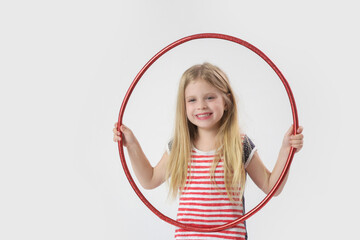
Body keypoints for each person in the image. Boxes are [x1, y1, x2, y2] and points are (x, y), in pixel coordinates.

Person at [113, 63, 304, 240]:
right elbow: (149, 179)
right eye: (192, 100)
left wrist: (286, 149)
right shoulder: (179, 146)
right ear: (184, 106)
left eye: (210, 97)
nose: (201, 106)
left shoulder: (240, 144)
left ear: (227, 102)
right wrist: (132, 144)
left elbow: (272, 187)